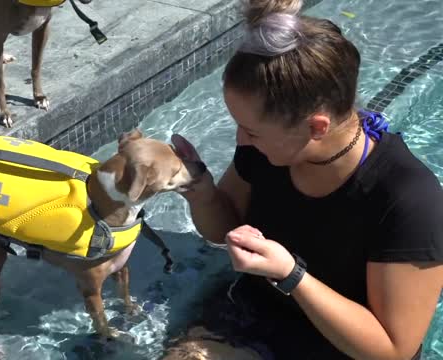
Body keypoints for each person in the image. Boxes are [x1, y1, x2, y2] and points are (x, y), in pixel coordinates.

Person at [163, 0, 443, 359]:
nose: (241, 140)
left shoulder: (408, 200)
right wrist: (201, 192)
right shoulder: (267, 150)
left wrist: (292, 275)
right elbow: (224, 230)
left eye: (251, 130)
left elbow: (393, 350)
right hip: (257, 319)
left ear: (315, 127)